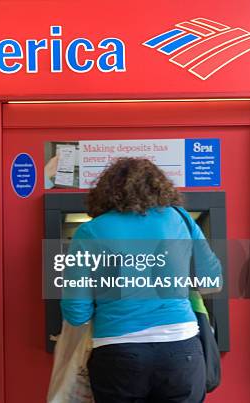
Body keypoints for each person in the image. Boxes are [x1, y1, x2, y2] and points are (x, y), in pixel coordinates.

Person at [60, 157, 222, 403]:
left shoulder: (89, 232)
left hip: (118, 352)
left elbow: (76, 313)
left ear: (106, 193)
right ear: (160, 187)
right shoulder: (181, 218)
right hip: (182, 350)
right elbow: (212, 280)